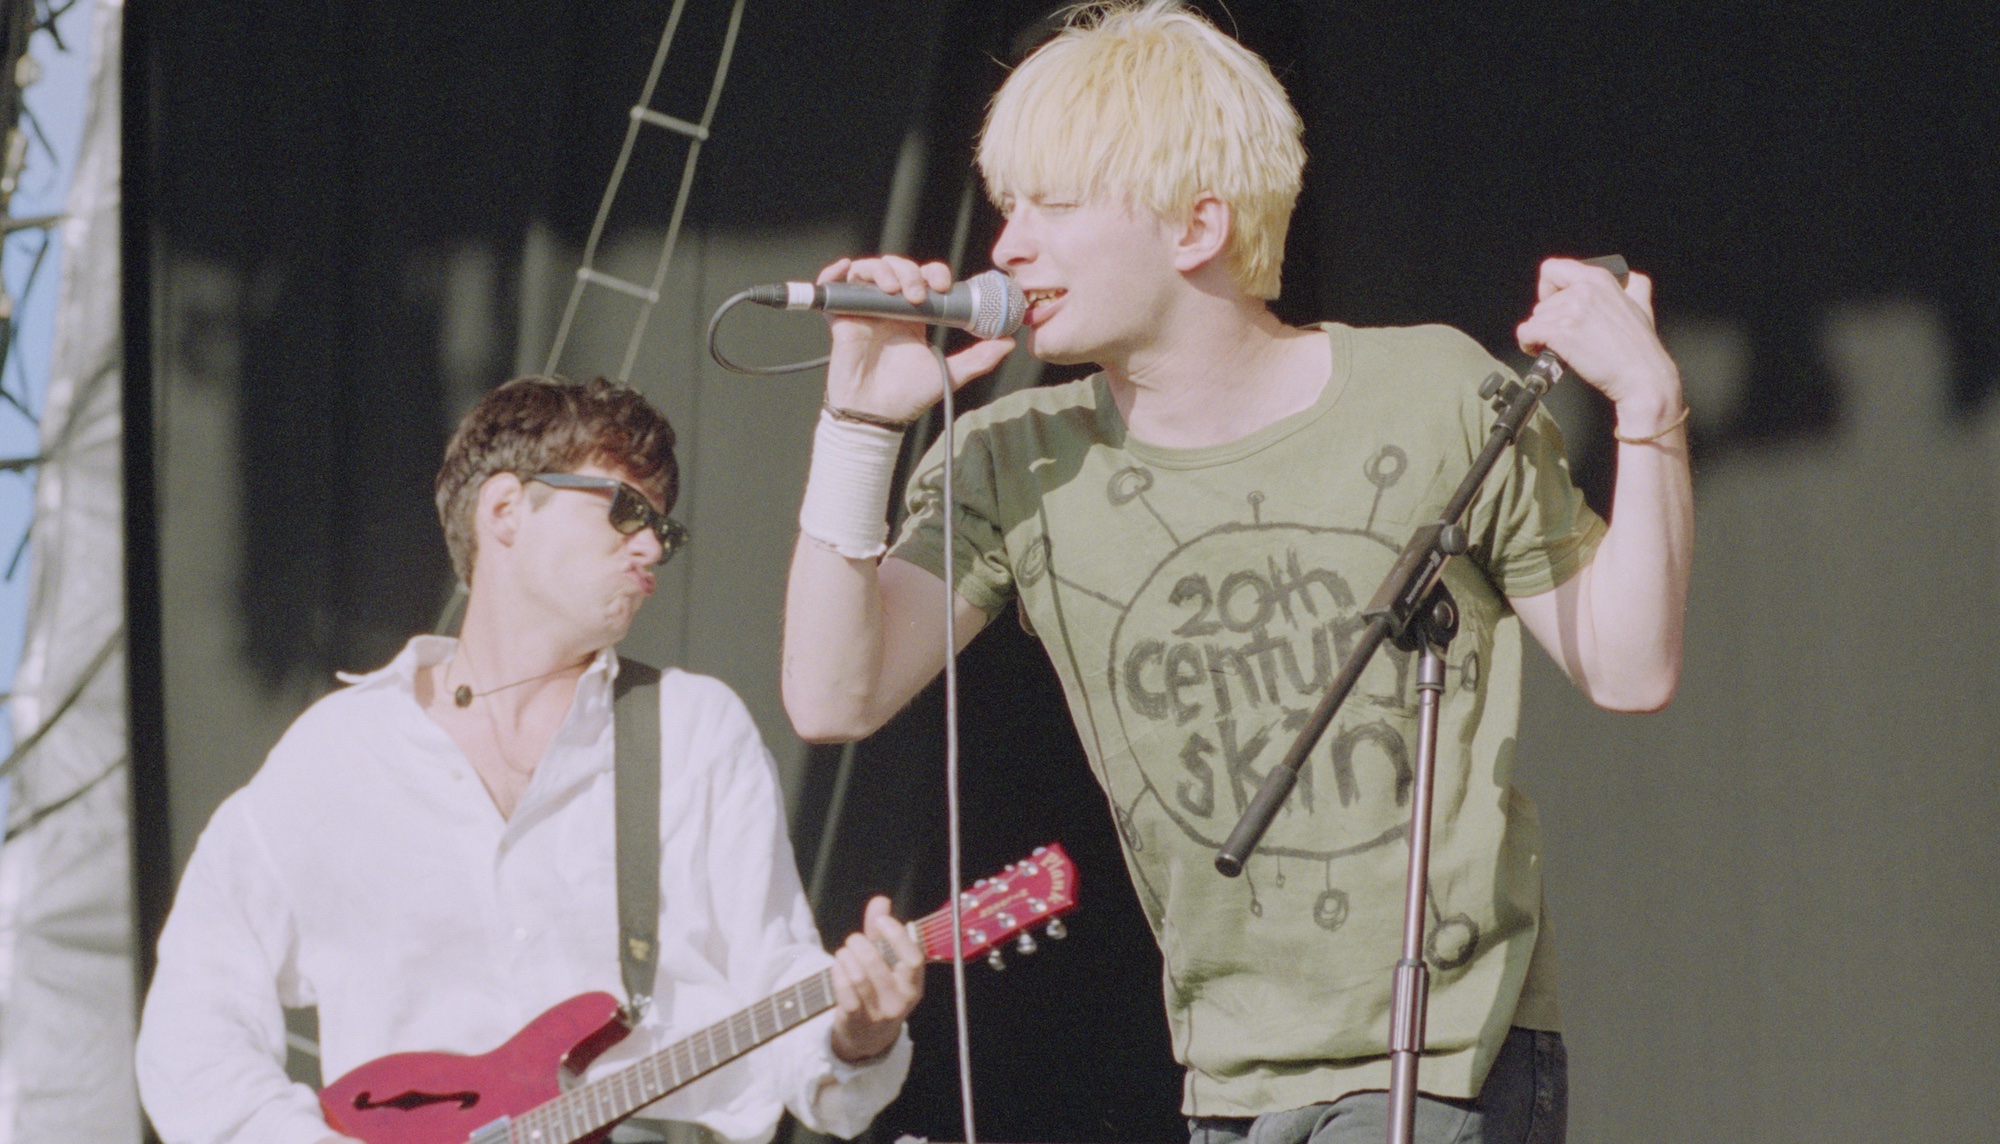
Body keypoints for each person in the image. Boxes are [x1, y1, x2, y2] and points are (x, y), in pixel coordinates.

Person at [779, 3, 1691, 1142]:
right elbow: (830, 694)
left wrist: (1648, 413)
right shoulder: (1013, 460)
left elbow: (1628, 663)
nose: (1008, 246)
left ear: (1196, 224)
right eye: (1008, 207)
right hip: (1225, 1074)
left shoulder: (1432, 393)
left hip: (1445, 1051)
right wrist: (857, 425)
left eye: (1053, 205)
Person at [136, 376, 924, 1144]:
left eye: (665, 528)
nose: (652, 544)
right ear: (506, 509)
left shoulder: (694, 729)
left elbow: (778, 983)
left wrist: (859, 1035)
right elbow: (191, 1026)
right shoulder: (339, 755)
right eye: (624, 508)